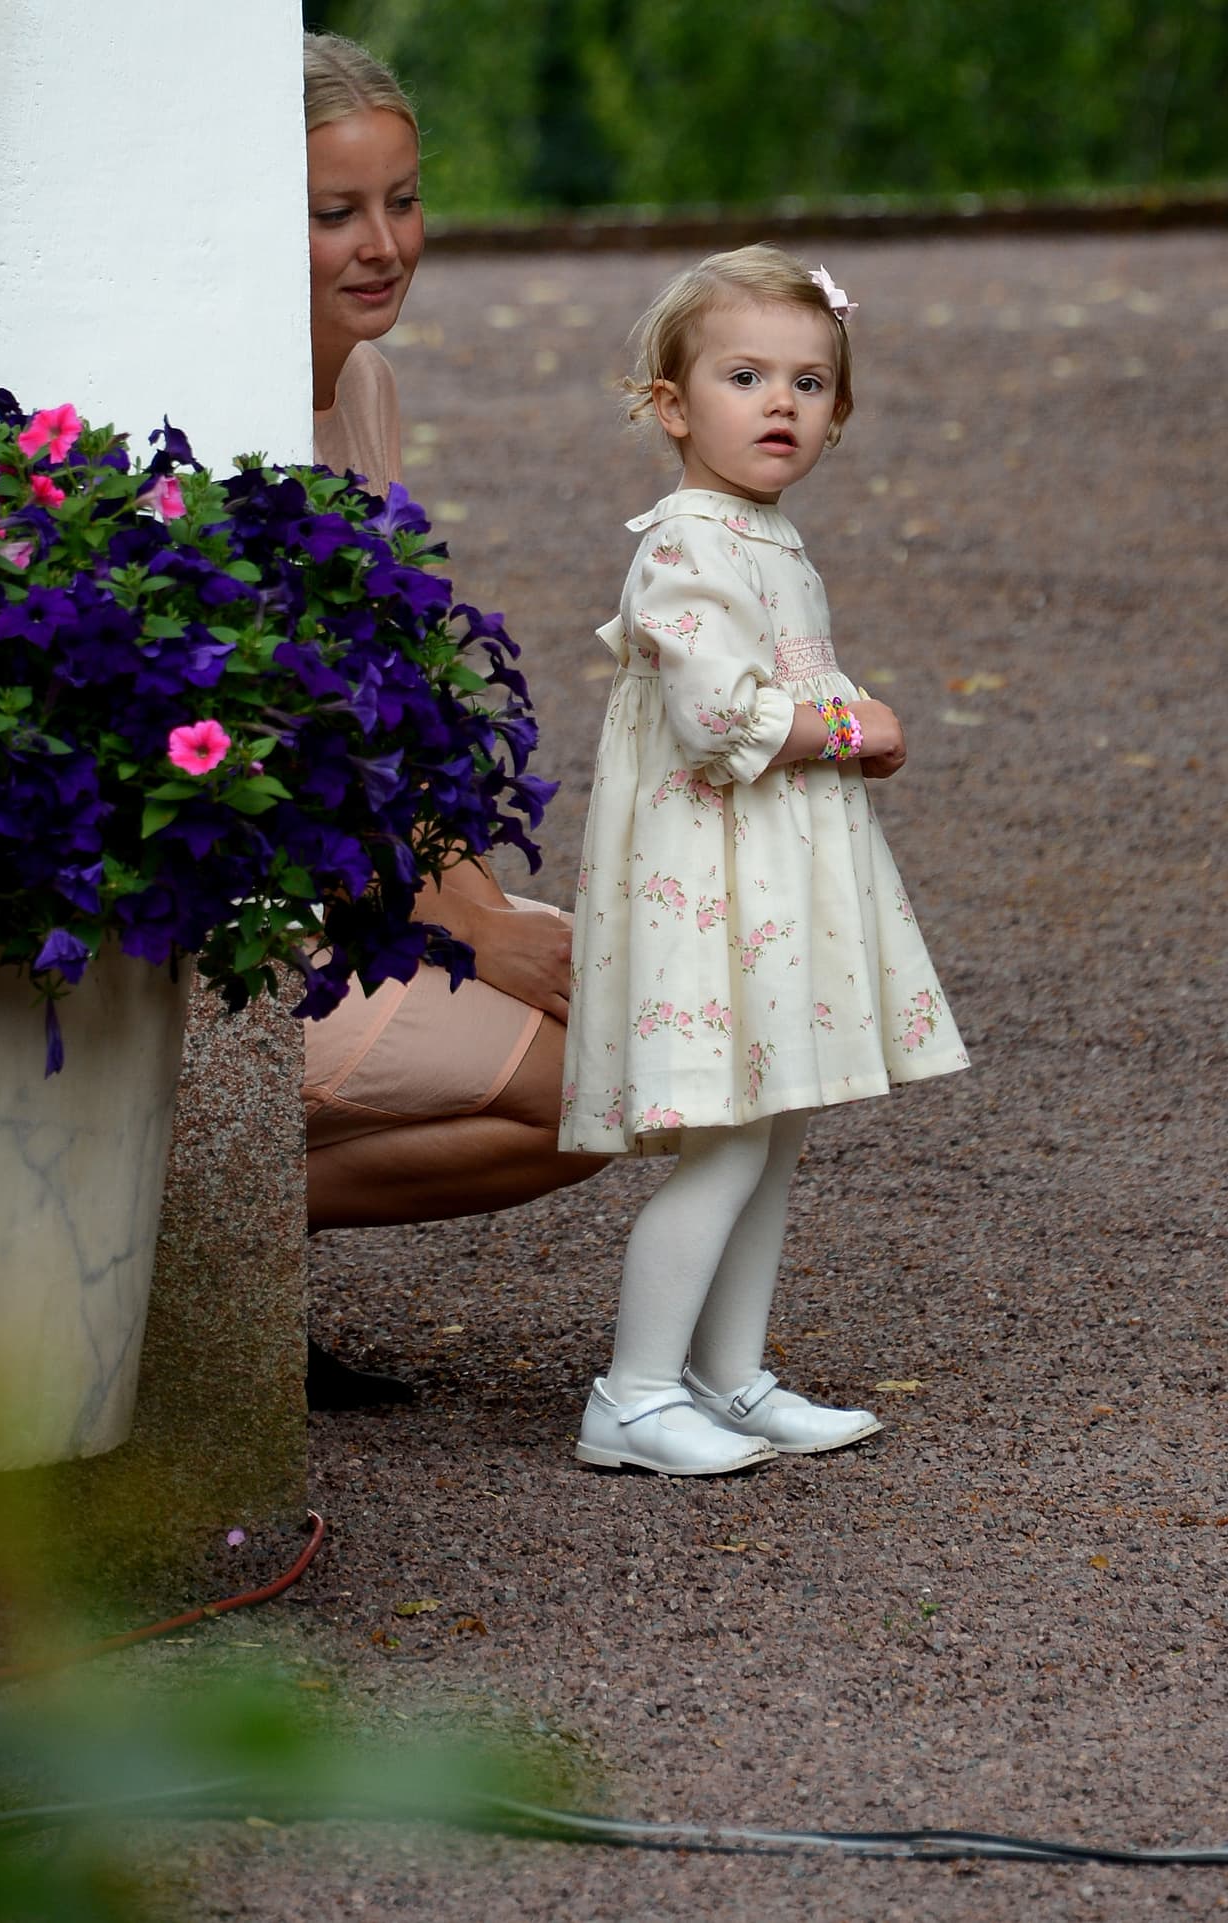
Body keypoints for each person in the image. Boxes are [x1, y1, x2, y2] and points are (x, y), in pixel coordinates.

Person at [560, 245, 969, 1476]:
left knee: (771, 1127)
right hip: (711, 880)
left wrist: (840, 716)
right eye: (745, 376)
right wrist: (857, 726)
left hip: (769, 876)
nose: (779, 402)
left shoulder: (762, 534)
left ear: (837, 414)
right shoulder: (686, 542)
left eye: (807, 380)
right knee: (728, 1137)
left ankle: (726, 1377)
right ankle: (631, 1396)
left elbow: (780, 682)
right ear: (672, 405)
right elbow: (717, 717)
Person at [300, 32, 605, 1404]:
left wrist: (489, 913)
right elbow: (302, 749)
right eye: (336, 212)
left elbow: (394, 705)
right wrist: (471, 927)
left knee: (618, 1069)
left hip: (363, 879)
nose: (385, 245)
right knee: (603, 1082)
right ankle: (217, 1265)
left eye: (403, 200)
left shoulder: (363, 385)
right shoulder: (221, 417)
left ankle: (231, 1249)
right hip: (244, 916)